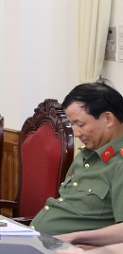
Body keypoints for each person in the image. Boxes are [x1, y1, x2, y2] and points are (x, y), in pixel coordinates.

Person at [31, 82, 123, 236]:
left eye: (80, 124)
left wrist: (75, 239)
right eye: (72, 124)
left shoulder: (119, 164)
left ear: (108, 119)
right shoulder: (86, 155)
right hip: (41, 240)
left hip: (72, 248)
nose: (76, 133)